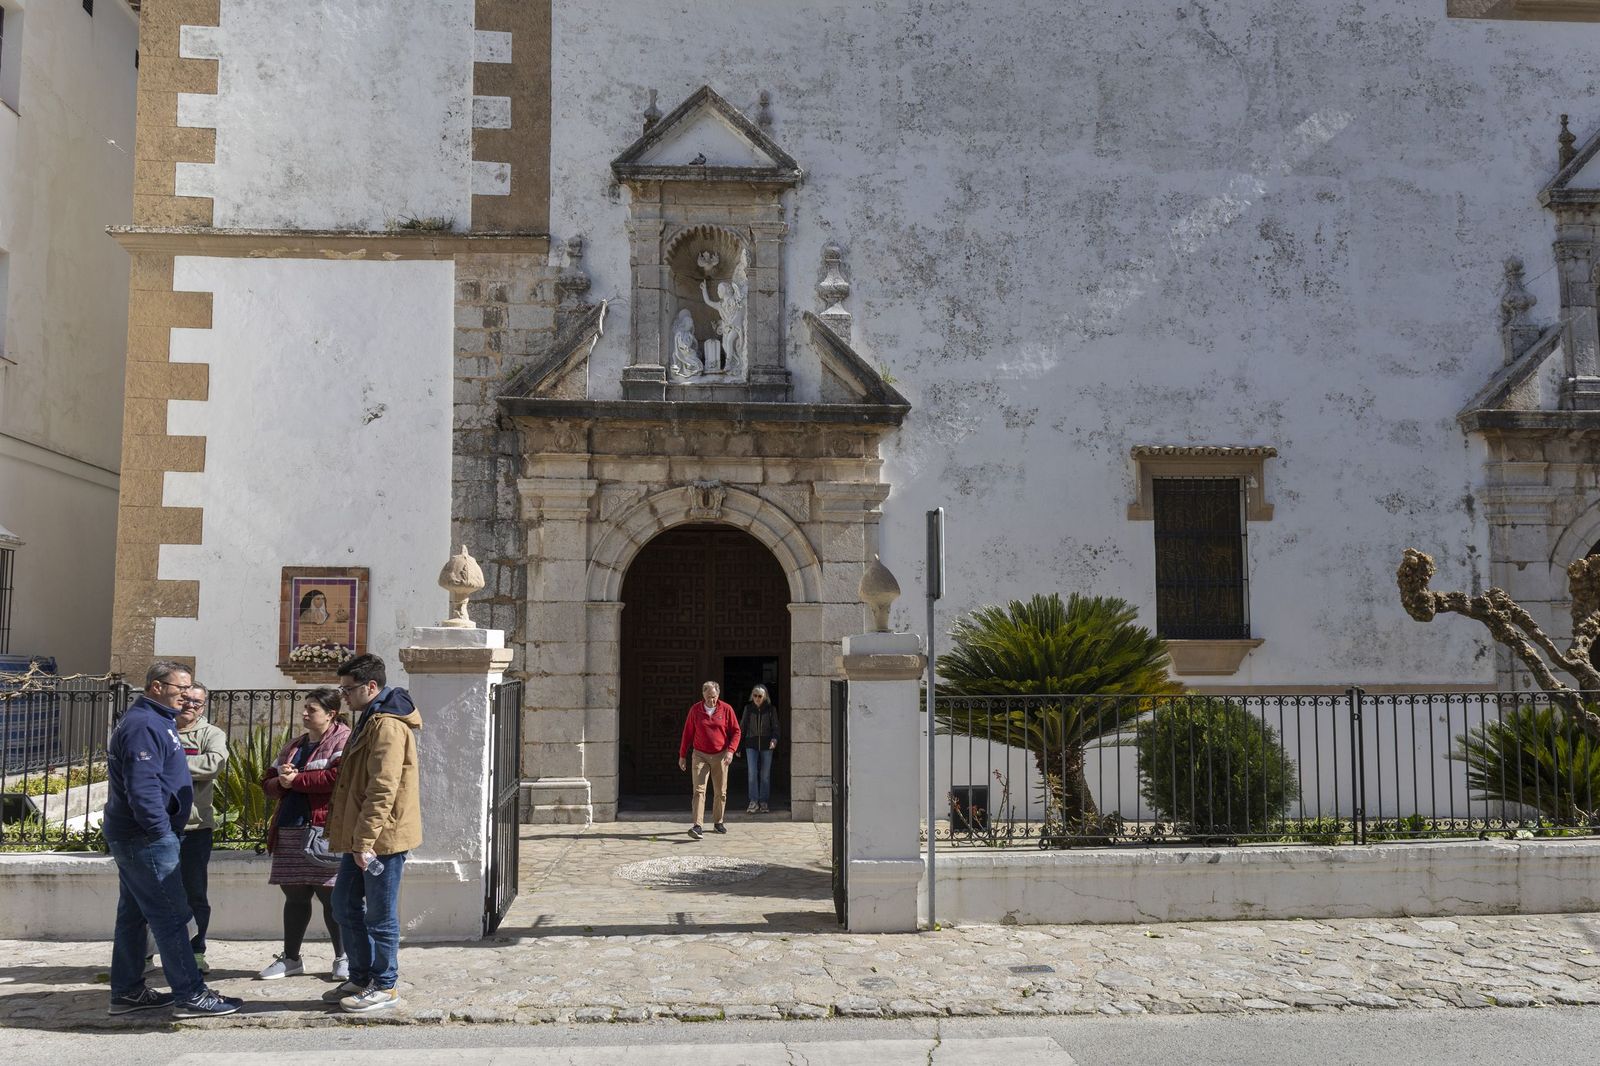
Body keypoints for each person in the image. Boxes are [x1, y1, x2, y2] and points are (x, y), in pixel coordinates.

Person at [102, 661, 242, 1019]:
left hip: (142, 837)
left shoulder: (157, 722)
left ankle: (127, 991)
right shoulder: (145, 725)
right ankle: (190, 994)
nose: (186, 695)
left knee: (133, 916)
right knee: (171, 916)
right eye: (180, 688)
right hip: (146, 838)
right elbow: (143, 787)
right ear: (156, 687)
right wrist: (161, 832)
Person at [323, 653, 421, 1014]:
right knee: (344, 904)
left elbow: (384, 788)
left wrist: (365, 841)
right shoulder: (369, 719)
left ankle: (385, 985)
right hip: (361, 838)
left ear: (371, 687)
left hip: (381, 841)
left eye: (348, 689)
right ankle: (361, 975)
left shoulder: (388, 726)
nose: (343, 695)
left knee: (379, 914)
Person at [258, 687, 351, 982]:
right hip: (290, 828)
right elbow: (267, 781)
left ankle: (344, 957)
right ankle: (291, 958)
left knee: (331, 896)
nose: (304, 713)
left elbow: (338, 778)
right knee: (294, 894)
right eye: (305, 708)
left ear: (330, 714)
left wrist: (296, 779)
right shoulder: (295, 745)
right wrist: (282, 783)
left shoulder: (343, 741)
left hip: (323, 829)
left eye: (312, 709)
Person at [174, 683, 227, 973]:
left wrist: (170, 762)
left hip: (195, 826)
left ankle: (196, 952)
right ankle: (145, 953)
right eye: (186, 699)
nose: (191, 705)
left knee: (195, 893)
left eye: (198, 702)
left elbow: (214, 764)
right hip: (160, 826)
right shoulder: (161, 729)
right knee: (152, 893)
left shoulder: (211, 734)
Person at [677, 680, 740, 839]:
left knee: (720, 791)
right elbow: (687, 733)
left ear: (718, 694)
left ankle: (718, 822)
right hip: (700, 754)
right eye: (708, 697)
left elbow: (736, 732)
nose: (711, 700)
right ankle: (697, 826)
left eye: (714, 697)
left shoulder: (726, 709)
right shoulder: (695, 710)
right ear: (703, 695)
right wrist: (682, 755)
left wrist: (731, 751)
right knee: (699, 790)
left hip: (721, 755)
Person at [739, 685, 780, 814]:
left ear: (765, 697)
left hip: (767, 745)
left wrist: (774, 739)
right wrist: (738, 746)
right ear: (752, 696)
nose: (757, 698)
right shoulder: (748, 709)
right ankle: (753, 801)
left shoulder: (771, 710)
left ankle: (763, 801)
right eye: (755, 695)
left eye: (760, 696)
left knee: (765, 775)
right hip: (751, 745)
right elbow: (743, 727)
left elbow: (776, 727)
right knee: (752, 773)